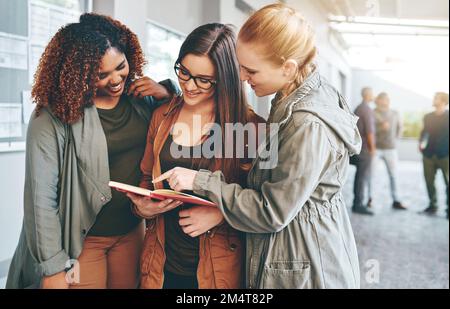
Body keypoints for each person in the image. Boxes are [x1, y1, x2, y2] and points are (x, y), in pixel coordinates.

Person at [151, 4, 362, 289]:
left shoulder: (307, 125)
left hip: (304, 266)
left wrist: (202, 183)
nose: (241, 78)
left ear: (288, 68)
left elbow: (272, 210)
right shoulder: (293, 96)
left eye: (251, 71)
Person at [6, 13, 176, 289]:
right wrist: (52, 268)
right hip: (82, 242)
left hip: (130, 231)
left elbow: (184, 124)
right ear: (79, 74)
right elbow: (40, 199)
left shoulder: (141, 97)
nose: (116, 80)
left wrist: (169, 95)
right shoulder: (53, 116)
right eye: (101, 75)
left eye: (121, 66)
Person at [127, 23, 265, 289]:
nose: (189, 86)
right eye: (184, 72)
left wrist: (221, 214)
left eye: (204, 80)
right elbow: (147, 176)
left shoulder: (249, 127)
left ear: (225, 79)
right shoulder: (163, 115)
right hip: (161, 265)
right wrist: (142, 207)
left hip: (218, 268)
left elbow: (264, 201)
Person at [371, 93, 407, 210]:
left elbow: (400, 128)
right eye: (382, 100)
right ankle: (369, 199)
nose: (384, 102)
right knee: (371, 175)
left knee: (394, 175)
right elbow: (368, 130)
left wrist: (396, 140)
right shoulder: (372, 113)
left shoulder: (395, 113)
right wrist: (381, 127)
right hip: (375, 149)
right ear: (378, 101)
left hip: (391, 149)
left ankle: (396, 200)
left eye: (386, 100)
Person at [420, 92, 449, 218]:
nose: (433, 100)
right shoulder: (428, 117)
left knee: (448, 183)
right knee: (429, 182)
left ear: (443, 101)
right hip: (428, 154)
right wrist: (421, 144)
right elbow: (424, 132)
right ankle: (433, 205)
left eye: (436, 98)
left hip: (445, 155)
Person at [352, 87, 376, 215]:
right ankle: (358, 204)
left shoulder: (359, 107)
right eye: (372, 93)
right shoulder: (366, 109)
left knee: (360, 177)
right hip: (365, 148)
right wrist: (372, 149)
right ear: (367, 95)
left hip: (358, 146)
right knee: (362, 177)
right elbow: (369, 132)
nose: (374, 95)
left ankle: (358, 203)